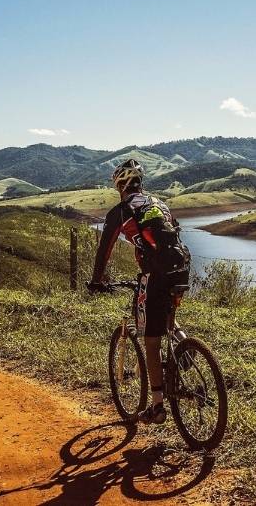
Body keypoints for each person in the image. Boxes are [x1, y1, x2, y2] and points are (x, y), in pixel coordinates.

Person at [88, 159, 190, 425]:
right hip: (181, 268)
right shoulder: (158, 203)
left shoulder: (121, 211)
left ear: (120, 186)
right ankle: (186, 347)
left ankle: (156, 407)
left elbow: (104, 251)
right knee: (167, 320)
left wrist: (96, 281)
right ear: (140, 184)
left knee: (151, 340)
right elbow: (173, 234)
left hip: (155, 275)